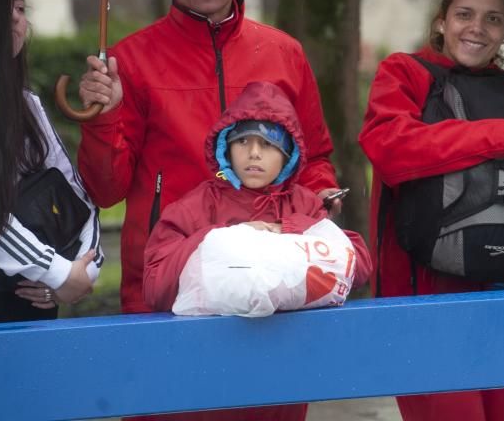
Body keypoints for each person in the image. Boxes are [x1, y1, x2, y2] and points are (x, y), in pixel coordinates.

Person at [77, 0, 342, 314]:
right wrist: (102, 118)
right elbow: (105, 191)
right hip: (168, 280)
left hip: (269, 278)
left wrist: (320, 191)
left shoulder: (284, 53)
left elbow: (314, 157)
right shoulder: (128, 62)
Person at [358, 0, 504, 421]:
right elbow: (392, 151)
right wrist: (496, 137)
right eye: (464, 14)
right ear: (442, 19)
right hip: (423, 304)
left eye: (493, 18)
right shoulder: (404, 74)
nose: (477, 28)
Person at [144, 80, 371, 421]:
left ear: (288, 153)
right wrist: (224, 238)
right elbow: (155, 283)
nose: (253, 154)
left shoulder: (304, 205)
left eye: (267, 144)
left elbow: (358, 263)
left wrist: (286, 231)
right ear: (226, 148)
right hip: (210, 374)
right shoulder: (196, 206)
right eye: (242, 142)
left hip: (286, 373)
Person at [0, 0, 102, 323]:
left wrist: (85, 270)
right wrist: (57, 272)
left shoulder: (26, 103)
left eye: (19, 7)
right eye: (1, 8)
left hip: (30, 301)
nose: (14, 18)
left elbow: (76, 196)